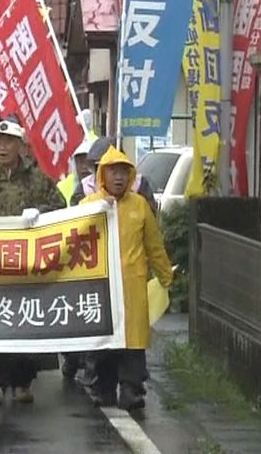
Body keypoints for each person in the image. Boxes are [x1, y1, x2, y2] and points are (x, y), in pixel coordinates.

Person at [0, 120, 66, 405]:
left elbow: (61, 207)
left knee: (26, 322)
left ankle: (23, 380)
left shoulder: (37, 179)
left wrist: (39, 213)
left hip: (27, 265)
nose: (2, 147)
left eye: (8, 141)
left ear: (20, 145)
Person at [80, 146, 173, 410]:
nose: (118, 178)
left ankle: (132, 388)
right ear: (102, 176)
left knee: (133, 343)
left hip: (132, 286)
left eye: (123, 172)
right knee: (104, 340)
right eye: (113, 172)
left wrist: (166, 276)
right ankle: (102, 385)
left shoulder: (140, 206)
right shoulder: (88, 206)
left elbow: (154, 245)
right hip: (100, 286)